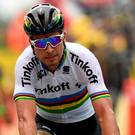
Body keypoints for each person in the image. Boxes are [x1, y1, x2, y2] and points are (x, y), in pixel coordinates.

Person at [13, 3, 120, 135]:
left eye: (55, 40)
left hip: (86, 122)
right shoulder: (25, 64)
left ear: (64, 36)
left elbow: (105, 112)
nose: (49, 49)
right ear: (31, 44)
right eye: (40, 43)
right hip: (47, 123)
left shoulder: (83, 57)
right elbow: (25, 119)